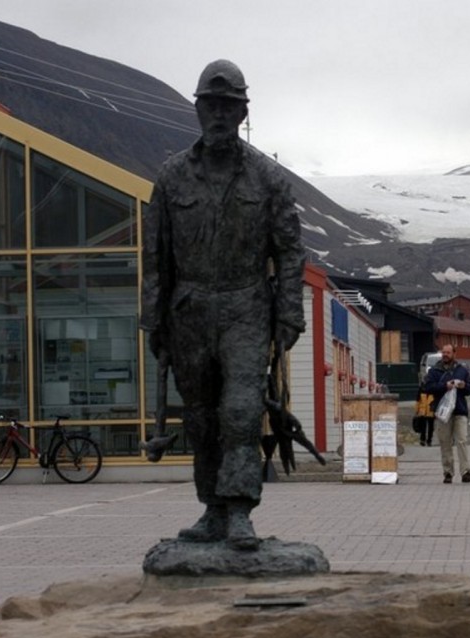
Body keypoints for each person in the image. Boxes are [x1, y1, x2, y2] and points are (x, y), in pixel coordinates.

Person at [140, 60, 306, 551]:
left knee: (240, 409)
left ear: (242, 113)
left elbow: (291, 251)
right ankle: (212, 507)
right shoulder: (171, 178)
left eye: (227, 107)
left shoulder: (268, 178)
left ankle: (239, 511)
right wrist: (153, 319)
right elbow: (155, 256)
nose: (218, 115)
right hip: (189, 309)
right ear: (197, 110)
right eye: (210, 106)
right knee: (201, 416)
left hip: (246, 305)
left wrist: (289, 313)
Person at [423, 344, 470, 483]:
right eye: (443, 352)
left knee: (462, 440)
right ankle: (448, 472)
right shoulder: (434, 371)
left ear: (454, 354)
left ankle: (466, 471)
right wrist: (444, 386)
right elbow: (427, 387)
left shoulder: (462, 370)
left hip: (459, 410)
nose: (445, 354)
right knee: (445, 442)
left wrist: (464, 386)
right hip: (442, 412)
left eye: (448, 352)